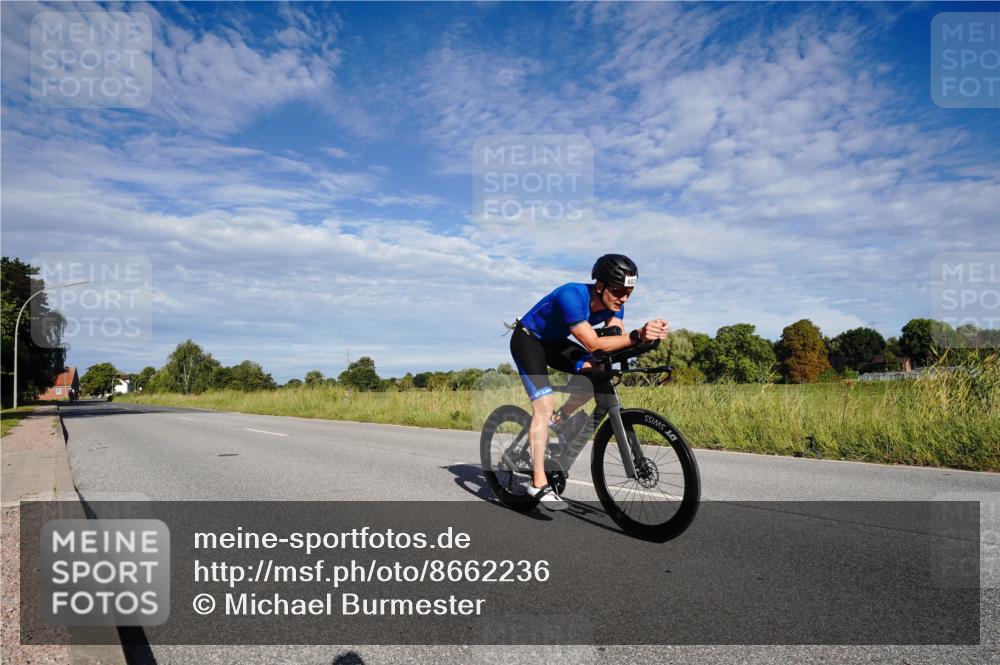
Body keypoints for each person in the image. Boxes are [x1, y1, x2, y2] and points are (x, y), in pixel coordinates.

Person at [509, 254, 668, 510]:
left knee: (598, 372)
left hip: (556, 343)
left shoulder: (615, 305)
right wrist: (638, 335)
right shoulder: (571, 296)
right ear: (600, 285)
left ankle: (559, 421)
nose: (624, 297)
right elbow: (593, 342)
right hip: (529, 340)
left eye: (629, 291)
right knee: (543, 405)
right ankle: (538, 483)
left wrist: (646, 341)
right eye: (618, 290)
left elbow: (614, 339)